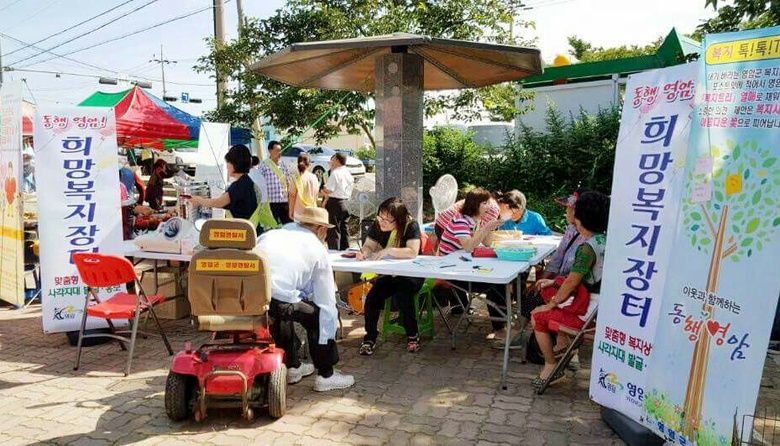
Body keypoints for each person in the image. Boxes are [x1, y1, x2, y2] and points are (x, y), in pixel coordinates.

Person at [255, 207, 355, 391]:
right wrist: (328, 326)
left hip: (252, 295)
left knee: (284, 309)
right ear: (320, 229)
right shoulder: (317, 248)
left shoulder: (273, 234)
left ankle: (292, 366)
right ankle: (326, 375)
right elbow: (325, 301)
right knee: (319, 316)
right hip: (279, 297)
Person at [530, 191, 609, 387]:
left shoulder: (587, 248)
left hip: (588, 312)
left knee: (537, 315)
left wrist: (551, 305)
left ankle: (550, 366)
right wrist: (554, 284)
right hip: (601, 306)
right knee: (547, 289)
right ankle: (563, 343)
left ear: (580, 219)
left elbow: (572, 281)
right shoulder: (606, 241)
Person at [356, 198, 423, 355]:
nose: (382, 222)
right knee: (372, 298)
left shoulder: (410, 225)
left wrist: (389, 250)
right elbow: (369, 245)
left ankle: (413, 335)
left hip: (411, 275)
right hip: (389, 274)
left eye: (387, 220)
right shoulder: (377, 224)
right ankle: (370, 337)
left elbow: (412, 252)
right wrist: (363, 253)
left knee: (403, 295)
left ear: (398, 220)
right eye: (380, 217)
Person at [189, 145, 266, 233]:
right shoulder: (247, 181)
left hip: (242, 234)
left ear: (235, 164)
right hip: (251, 230)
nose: (226, 166)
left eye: (228, 162)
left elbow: (218, 203)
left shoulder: (238, 186)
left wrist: (198, 200)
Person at [437, 187, 502, 255]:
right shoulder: (461, 221)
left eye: (489, 203)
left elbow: (487, 243)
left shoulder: (477, 220)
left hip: (460, 256)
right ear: (474, 205)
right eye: (485, 203)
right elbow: (468, 248)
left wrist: (490, 228)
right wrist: (486, 228)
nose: (489, 207)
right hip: (449, 259)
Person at [322, 152, 354, 250]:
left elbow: (329, 189)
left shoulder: (335, 173)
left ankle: (334, 252)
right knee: (344, 228)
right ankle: (346, 250)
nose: (331, 162)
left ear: (336, 160)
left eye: (333, 160)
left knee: (333, 229)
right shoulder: (348, 173)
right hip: (347, 202)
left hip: (335, 203)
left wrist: (323, 189)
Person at [259, 140, 294, 225]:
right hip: (271, 202)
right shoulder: (264, 165)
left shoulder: (283, 165)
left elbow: (289, 180)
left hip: (284, 201)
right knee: (272, 226)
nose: (279, 153)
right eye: (277, 150)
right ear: (270, 151)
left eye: (280, 150)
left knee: (287, 226)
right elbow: (259, 184)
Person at [289, 153, 320, 221]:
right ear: (309, 164)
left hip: (299, 212)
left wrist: (290, 211)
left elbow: (292, 196)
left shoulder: (295, 178)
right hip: (312, 210)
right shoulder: (314, 178)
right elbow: (316, 195)